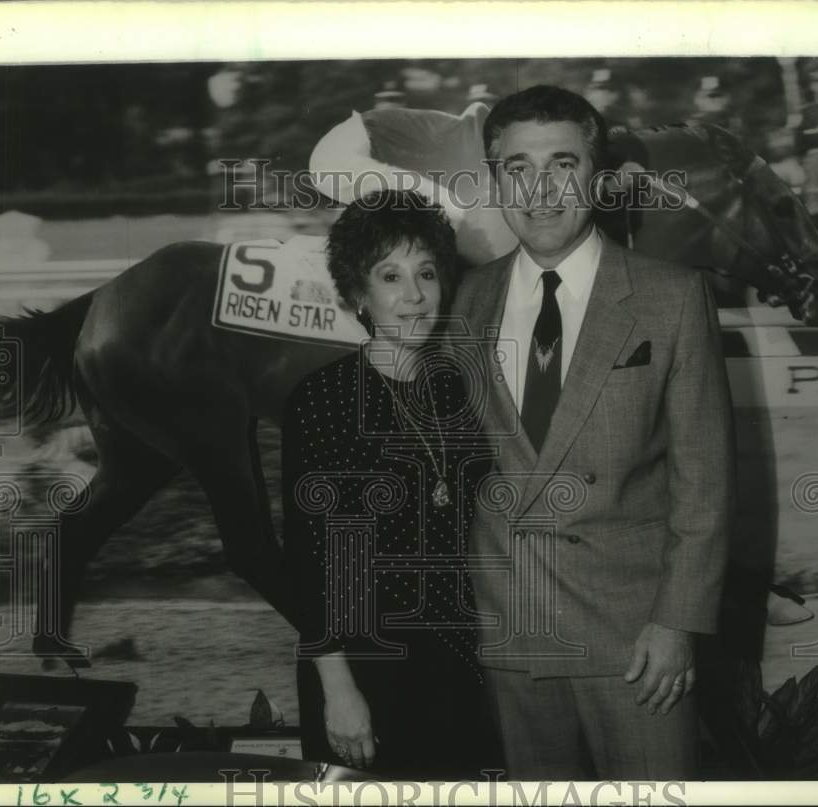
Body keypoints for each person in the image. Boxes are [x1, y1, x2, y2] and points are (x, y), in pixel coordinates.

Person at [450, 85, 735, 780]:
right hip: (512, 630)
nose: (540, 189)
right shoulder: (468, 298)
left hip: (636, 641)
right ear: (495, 180)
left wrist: (678, 623)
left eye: (562, 164)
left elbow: (707, 479)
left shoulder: (672, 294)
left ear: (597, 178)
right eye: (518, 167)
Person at [280, 188, 500, 779]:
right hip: (363, 667)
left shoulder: (462, 391)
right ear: (358, 294)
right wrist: (339, 689)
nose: (414, 296)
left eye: (426, 273)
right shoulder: (322, 399)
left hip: (461, 664)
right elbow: (308, 560)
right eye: (390, 276)